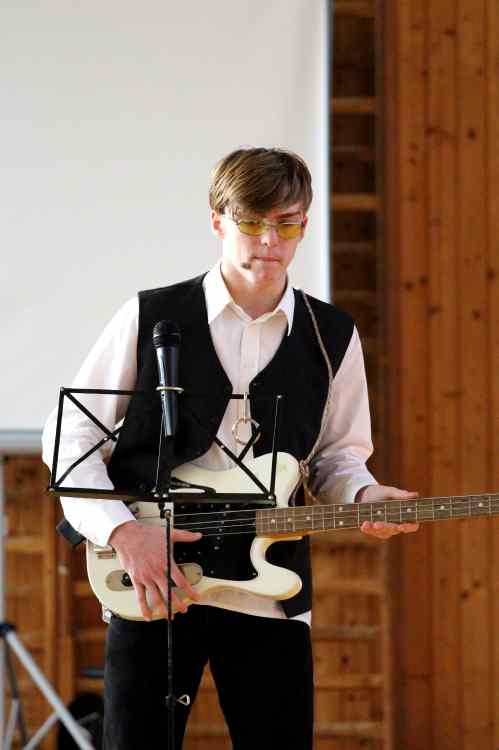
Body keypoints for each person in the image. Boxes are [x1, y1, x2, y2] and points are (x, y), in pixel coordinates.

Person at [42, 147, 418, 750]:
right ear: (218, 220)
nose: (269, 240)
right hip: (152, 579)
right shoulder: (149, 315)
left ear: (305, 225)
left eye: (287, 224)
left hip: (271, 588)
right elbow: (71, 437)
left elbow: (337, 458)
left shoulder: (333, 335)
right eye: (251, 221)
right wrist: (122, 532)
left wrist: (365, 495)